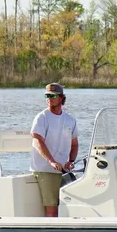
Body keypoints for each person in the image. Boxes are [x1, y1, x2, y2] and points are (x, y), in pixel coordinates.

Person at [30, 83, 79, 217]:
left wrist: (71, 161)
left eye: (52, 96)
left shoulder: (70, 120)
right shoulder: (42, 117)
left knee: (69, 207)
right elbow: (38, 141)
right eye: (47, 96)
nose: (49, 98)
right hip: (45, 170)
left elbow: (74, 144)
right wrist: (51, 161)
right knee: (52, 209)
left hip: (63, 171)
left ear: (61, 98)